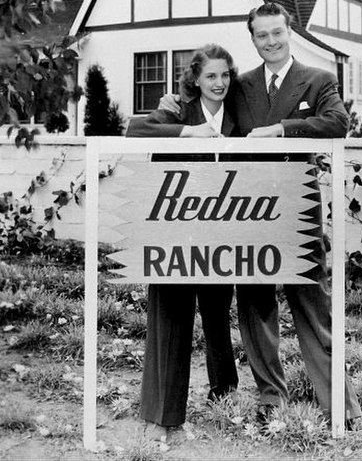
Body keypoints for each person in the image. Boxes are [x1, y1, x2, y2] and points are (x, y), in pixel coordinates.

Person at [159, 3, 362, 427]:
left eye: (277, 33)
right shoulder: (241, 85)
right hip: (250, 210)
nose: (270, 42)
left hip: (296, 207)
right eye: (261, 35)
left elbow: (337, 123)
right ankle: (272, 400)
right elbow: (205, 102)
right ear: (252, 39)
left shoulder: (319, 80)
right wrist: (174, 106)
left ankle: (339, 406)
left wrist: (282, 129)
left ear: (291, 32)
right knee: (255, 307)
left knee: (312, 306)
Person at [126, 44, 239, 442]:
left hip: (221, 230)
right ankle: (163, 415)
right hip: (174, 229)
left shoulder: (238, 111)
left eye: (225, 75)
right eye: (210, 76)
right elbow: (134, 130)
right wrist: (186, 131)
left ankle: (224, 399)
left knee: (217, 315)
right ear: (195, 78)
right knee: (171, 317)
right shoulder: (177, 108)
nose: (219, 83)